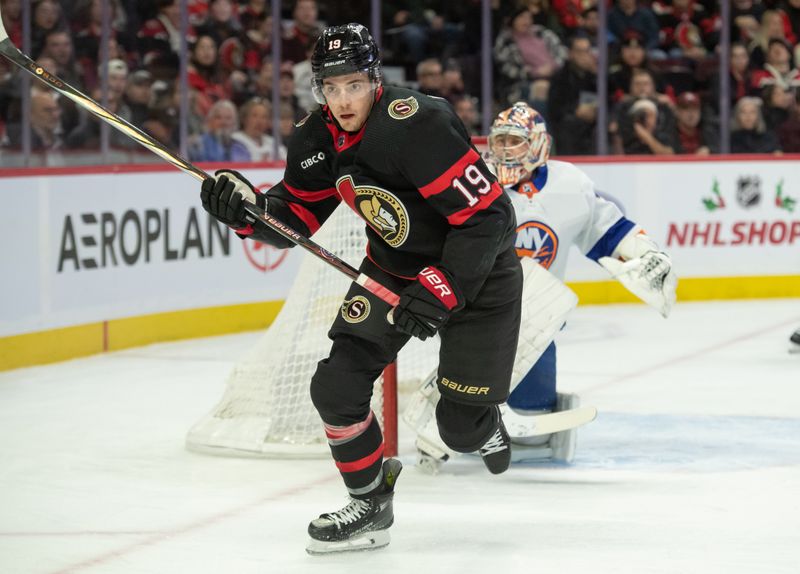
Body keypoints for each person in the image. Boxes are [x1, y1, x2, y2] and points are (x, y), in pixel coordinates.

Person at [198, 23, 522, 554]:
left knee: (458, 431)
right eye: (331, 87)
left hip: (479, 275)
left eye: (353, 85)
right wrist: (248, 213)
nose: (343, 100)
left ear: (374, 79)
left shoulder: (421, 124)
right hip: (392, 272)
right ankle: (370, 503)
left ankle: (480, 419)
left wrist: (443, 286)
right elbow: (294, 216)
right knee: (335, 388)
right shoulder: (315, 136)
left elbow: (490, 219)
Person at [408, 102, 677, 471]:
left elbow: (606, 229)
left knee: (531, 421)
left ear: (538, 144)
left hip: (537, 313)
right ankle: (450, 424)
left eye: (514, 142)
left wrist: (643, 252)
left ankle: (481, 421)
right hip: (473, 305)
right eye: (499, 140)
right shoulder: (474, 180)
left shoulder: (569, 185)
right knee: (468, 373)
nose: (503, 150)